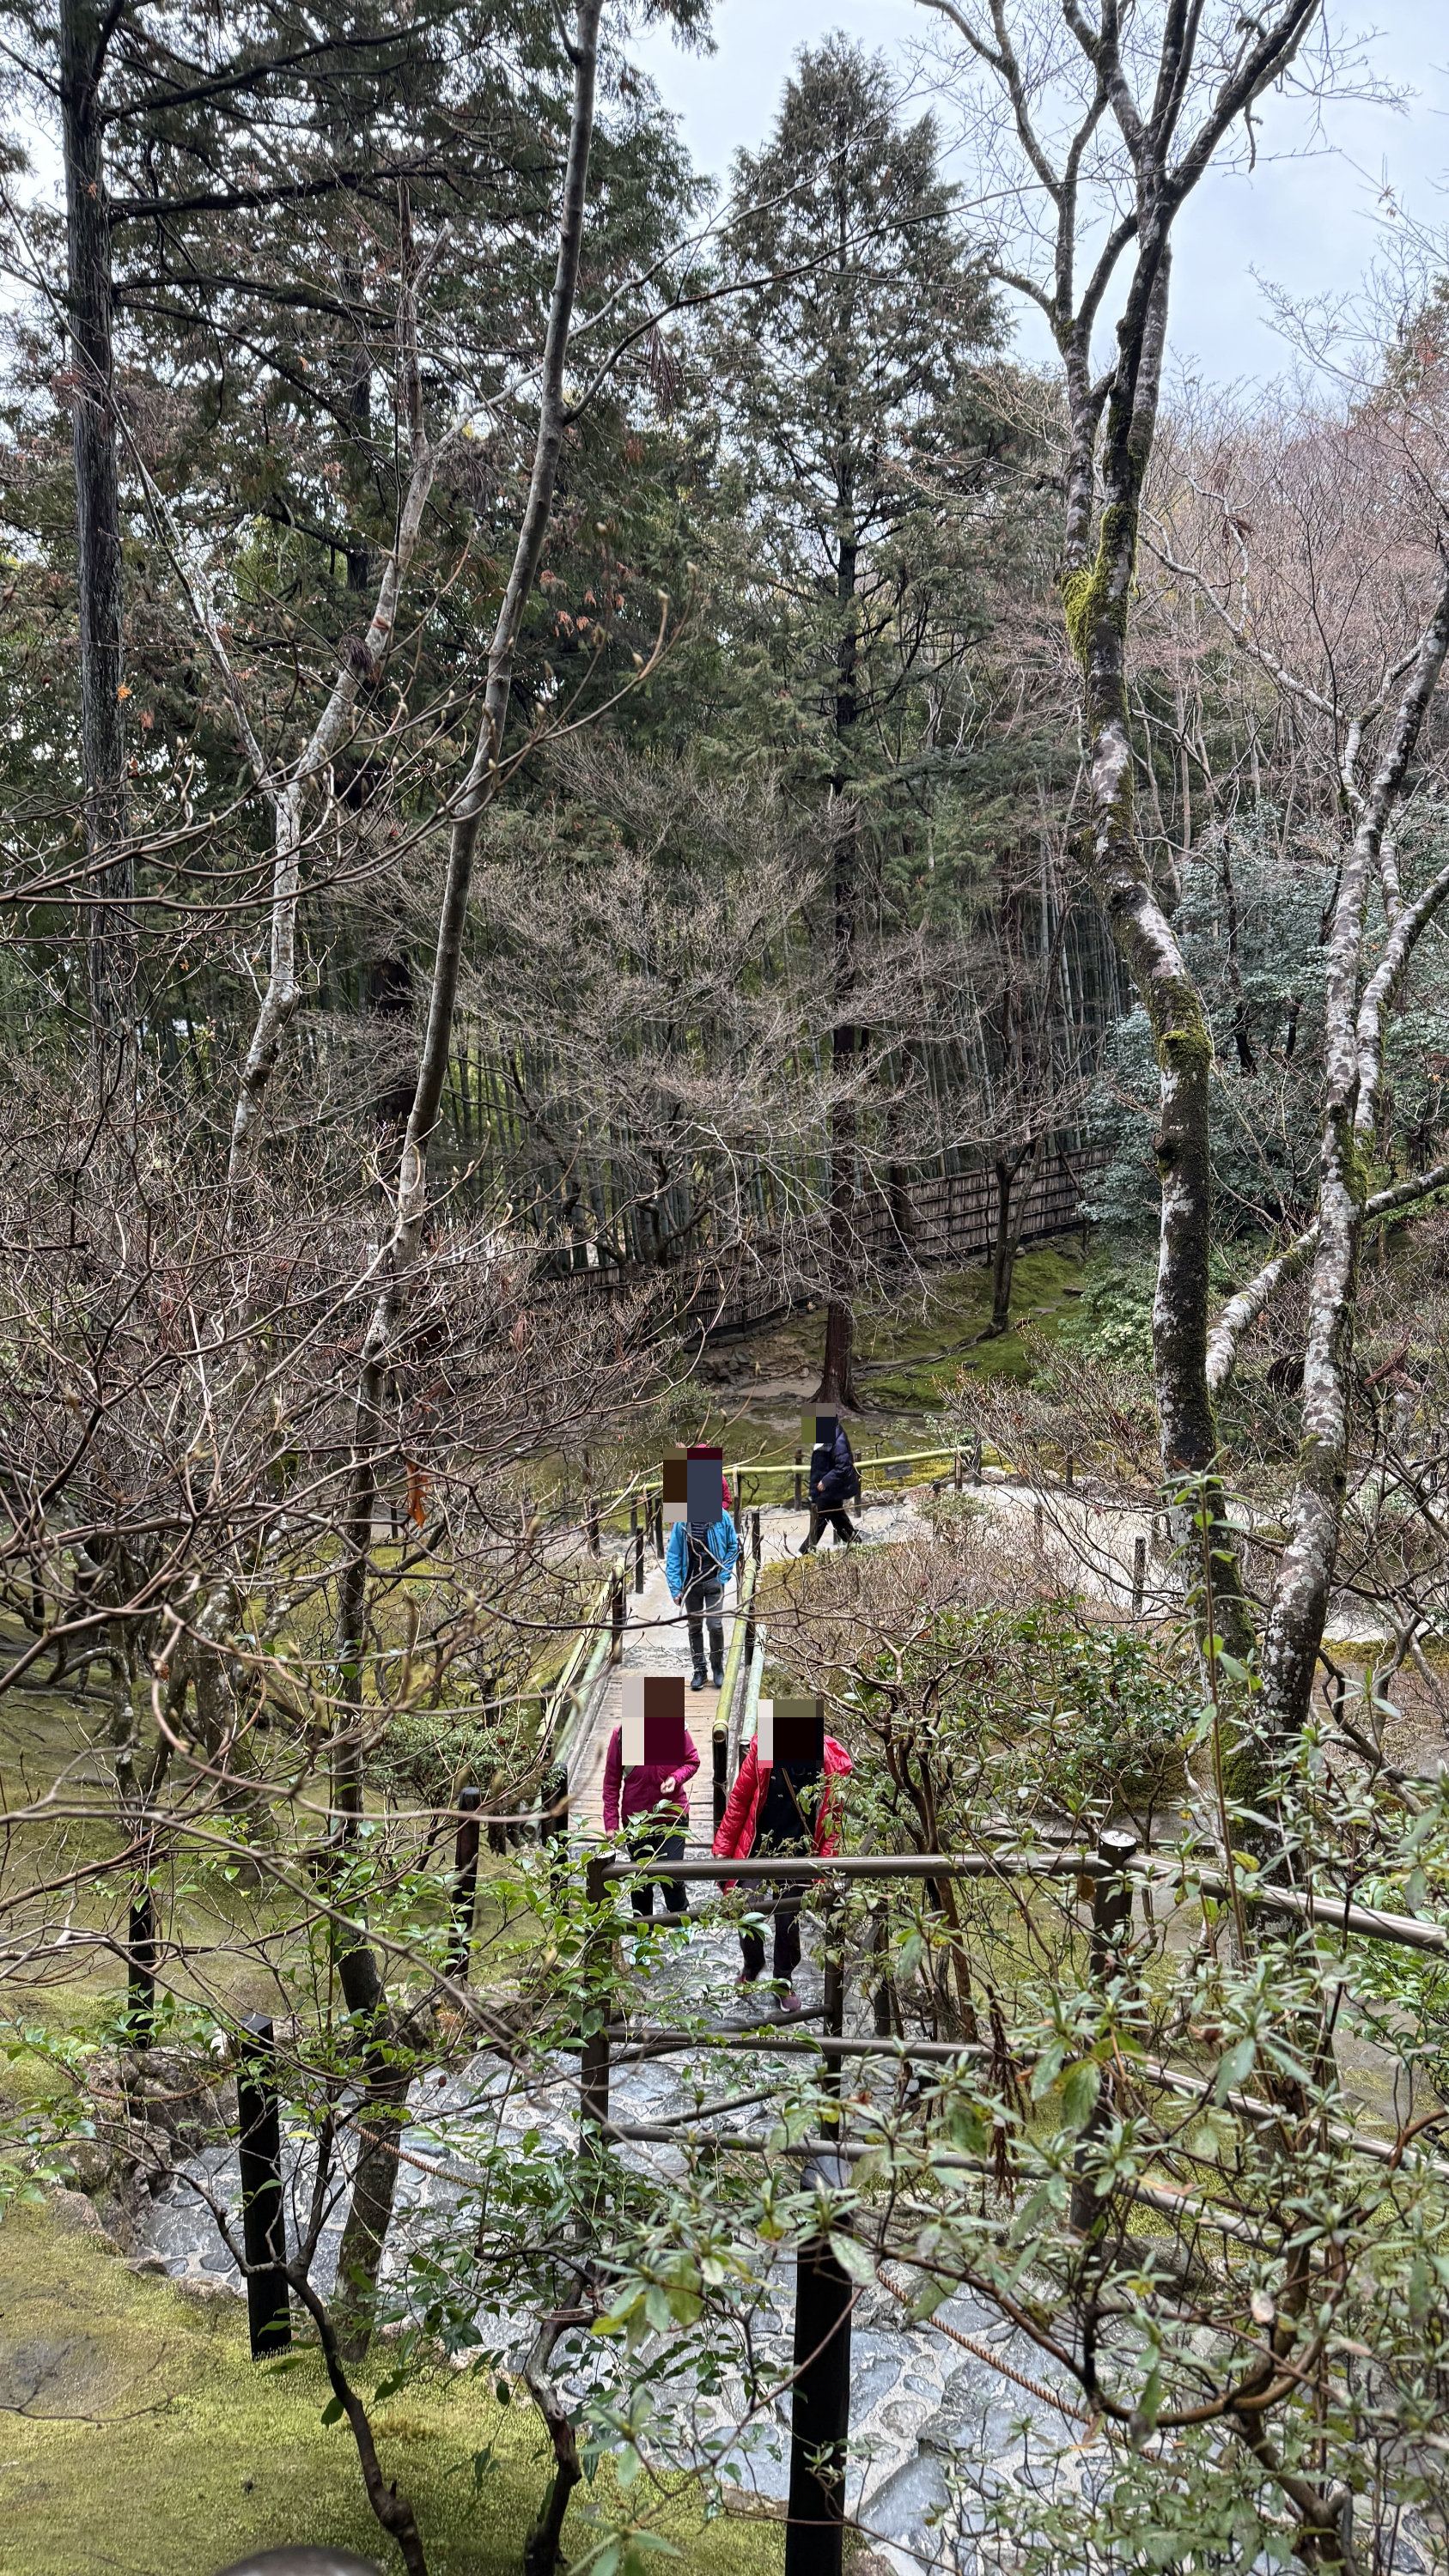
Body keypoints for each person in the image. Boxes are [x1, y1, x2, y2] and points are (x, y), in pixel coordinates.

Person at [713, 1724, 852, 2006]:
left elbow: (833, 1825)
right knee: (747, 1909)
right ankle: (752, 1965)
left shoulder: (828, 1768)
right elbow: (739, 1800)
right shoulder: (761, 1754)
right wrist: (724, 1847)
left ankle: (783, 1980)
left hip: (799, 1854)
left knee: (788, 1921)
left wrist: (824, 1872)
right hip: (758, 1850)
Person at [602, 1717, 700, 1917]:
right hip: (637, 1822)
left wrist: (676, 1778)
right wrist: (610, 1823)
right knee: (640, 1883)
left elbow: (692, 1761)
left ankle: (681, 1918)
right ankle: (642, 1933)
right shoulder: (622, 1734)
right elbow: (611, 1782)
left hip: (671, 1816)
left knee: (672, 1877)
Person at [667, 1498, 740, 1689]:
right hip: (691, 1583)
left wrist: (723, 1574)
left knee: (714, 1625)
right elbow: (673, 1554)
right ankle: (699, 1670)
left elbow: (733, 1546)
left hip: (714, 1580)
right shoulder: (681, 1520)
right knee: (694, 1626)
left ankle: (717, 1667)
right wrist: (675, 1588)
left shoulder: (721, 1516)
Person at [801, 1417, 860, 1551]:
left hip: (831, 1488)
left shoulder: (838, 1440)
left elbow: (844, 1465)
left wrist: (825, 1481)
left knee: (820, 1520)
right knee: (839, 1520)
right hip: (828, 1489)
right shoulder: (826, 1437)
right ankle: (856, 1544)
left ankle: (804, 1553)